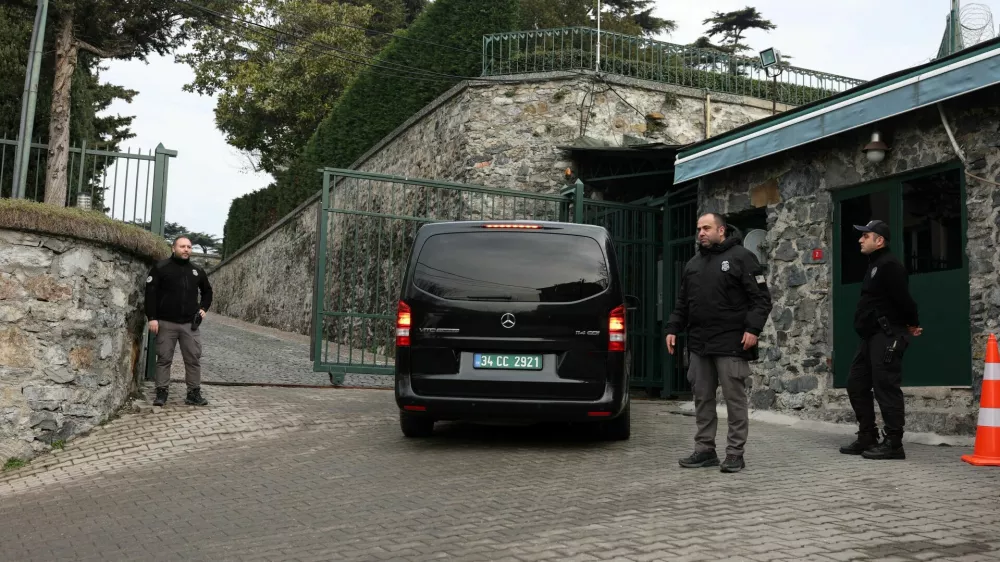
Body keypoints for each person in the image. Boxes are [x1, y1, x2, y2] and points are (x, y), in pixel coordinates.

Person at [665, 213, 773, 473]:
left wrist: (753, 329)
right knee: (702, 398)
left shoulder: (742, 257)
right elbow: (683, 303)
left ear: (721, 230)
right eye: (699, 229)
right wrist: (673, 328)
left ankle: (735, 453)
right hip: (700, 344)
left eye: (706, 228)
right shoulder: (693, 264)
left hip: (732, 342)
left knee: (734, 400)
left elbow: (761, 299)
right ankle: (705, 450)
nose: (701, 233)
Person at [840, 219, 920, 460]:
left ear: (879, 240)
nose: (860, 239)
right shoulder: (875, 264)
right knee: (856, 384)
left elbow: (904, 300)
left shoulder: (889, 265)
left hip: (887, 335)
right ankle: (868, 435)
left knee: (886, 386)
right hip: (870, 336)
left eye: (866, 236)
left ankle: (894, 443)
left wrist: (911, 323)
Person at [145, 236, 214, 407]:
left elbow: (207, 291)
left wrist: (203, 308)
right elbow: (150, 294)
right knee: (164, 359)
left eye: (189, 247)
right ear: (173, 248)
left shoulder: (196, 270)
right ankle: (161, 392)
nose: (186, 249)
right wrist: (152, 318)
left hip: (190, 324)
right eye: (182, 246)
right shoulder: (161, 268)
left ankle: (193, 393)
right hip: (166, 322)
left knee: (193, 359)